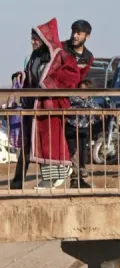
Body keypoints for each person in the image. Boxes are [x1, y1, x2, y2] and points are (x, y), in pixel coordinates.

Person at [13, 20, 81, 190]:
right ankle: (21, 180)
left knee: (50, 142)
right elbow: (33, 75)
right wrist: (22, 76)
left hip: (52, 106)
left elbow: (72, 76)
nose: (32, 42)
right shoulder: (35, 57)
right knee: (34, 143)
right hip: (35, 106)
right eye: (32, 38)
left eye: (35, 38)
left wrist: (48, 83)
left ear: (44, 39)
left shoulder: (61, 56)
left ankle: (51, 179)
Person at [66, 79, 97, 188]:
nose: (83, 92)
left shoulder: (90, 100)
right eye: (81, 89)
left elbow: (96, 109)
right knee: (74, 154)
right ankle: (74, 180)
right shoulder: (73, 98)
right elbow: (76, 108)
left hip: (84, 130)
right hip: (72, 129)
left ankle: (80, 179)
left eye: (86, 90)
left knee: (83, 153)